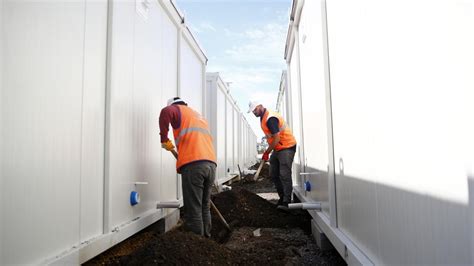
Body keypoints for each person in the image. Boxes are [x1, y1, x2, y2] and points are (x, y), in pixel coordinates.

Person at [159, 97, 217, 237]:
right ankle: (207, 240)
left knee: (193, 209)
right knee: (204, 206)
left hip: (194, 165)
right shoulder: (196, 115)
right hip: (210, 164)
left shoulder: (176, 109)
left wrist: (164, 139)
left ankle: (197, 243)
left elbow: (166, 112)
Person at [248, 101, 297, 209]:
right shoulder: (263, 117)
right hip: (278, 147)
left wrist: (266, 152)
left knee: (284, 174)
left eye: (255, 110)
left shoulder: (270, 118)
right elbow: (273, 139)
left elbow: (277, 138)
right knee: (273, 173)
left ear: (260, 106)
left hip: (287, 146)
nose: (254, 113)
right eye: (252, 112)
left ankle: (287, 202)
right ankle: (282, 197)